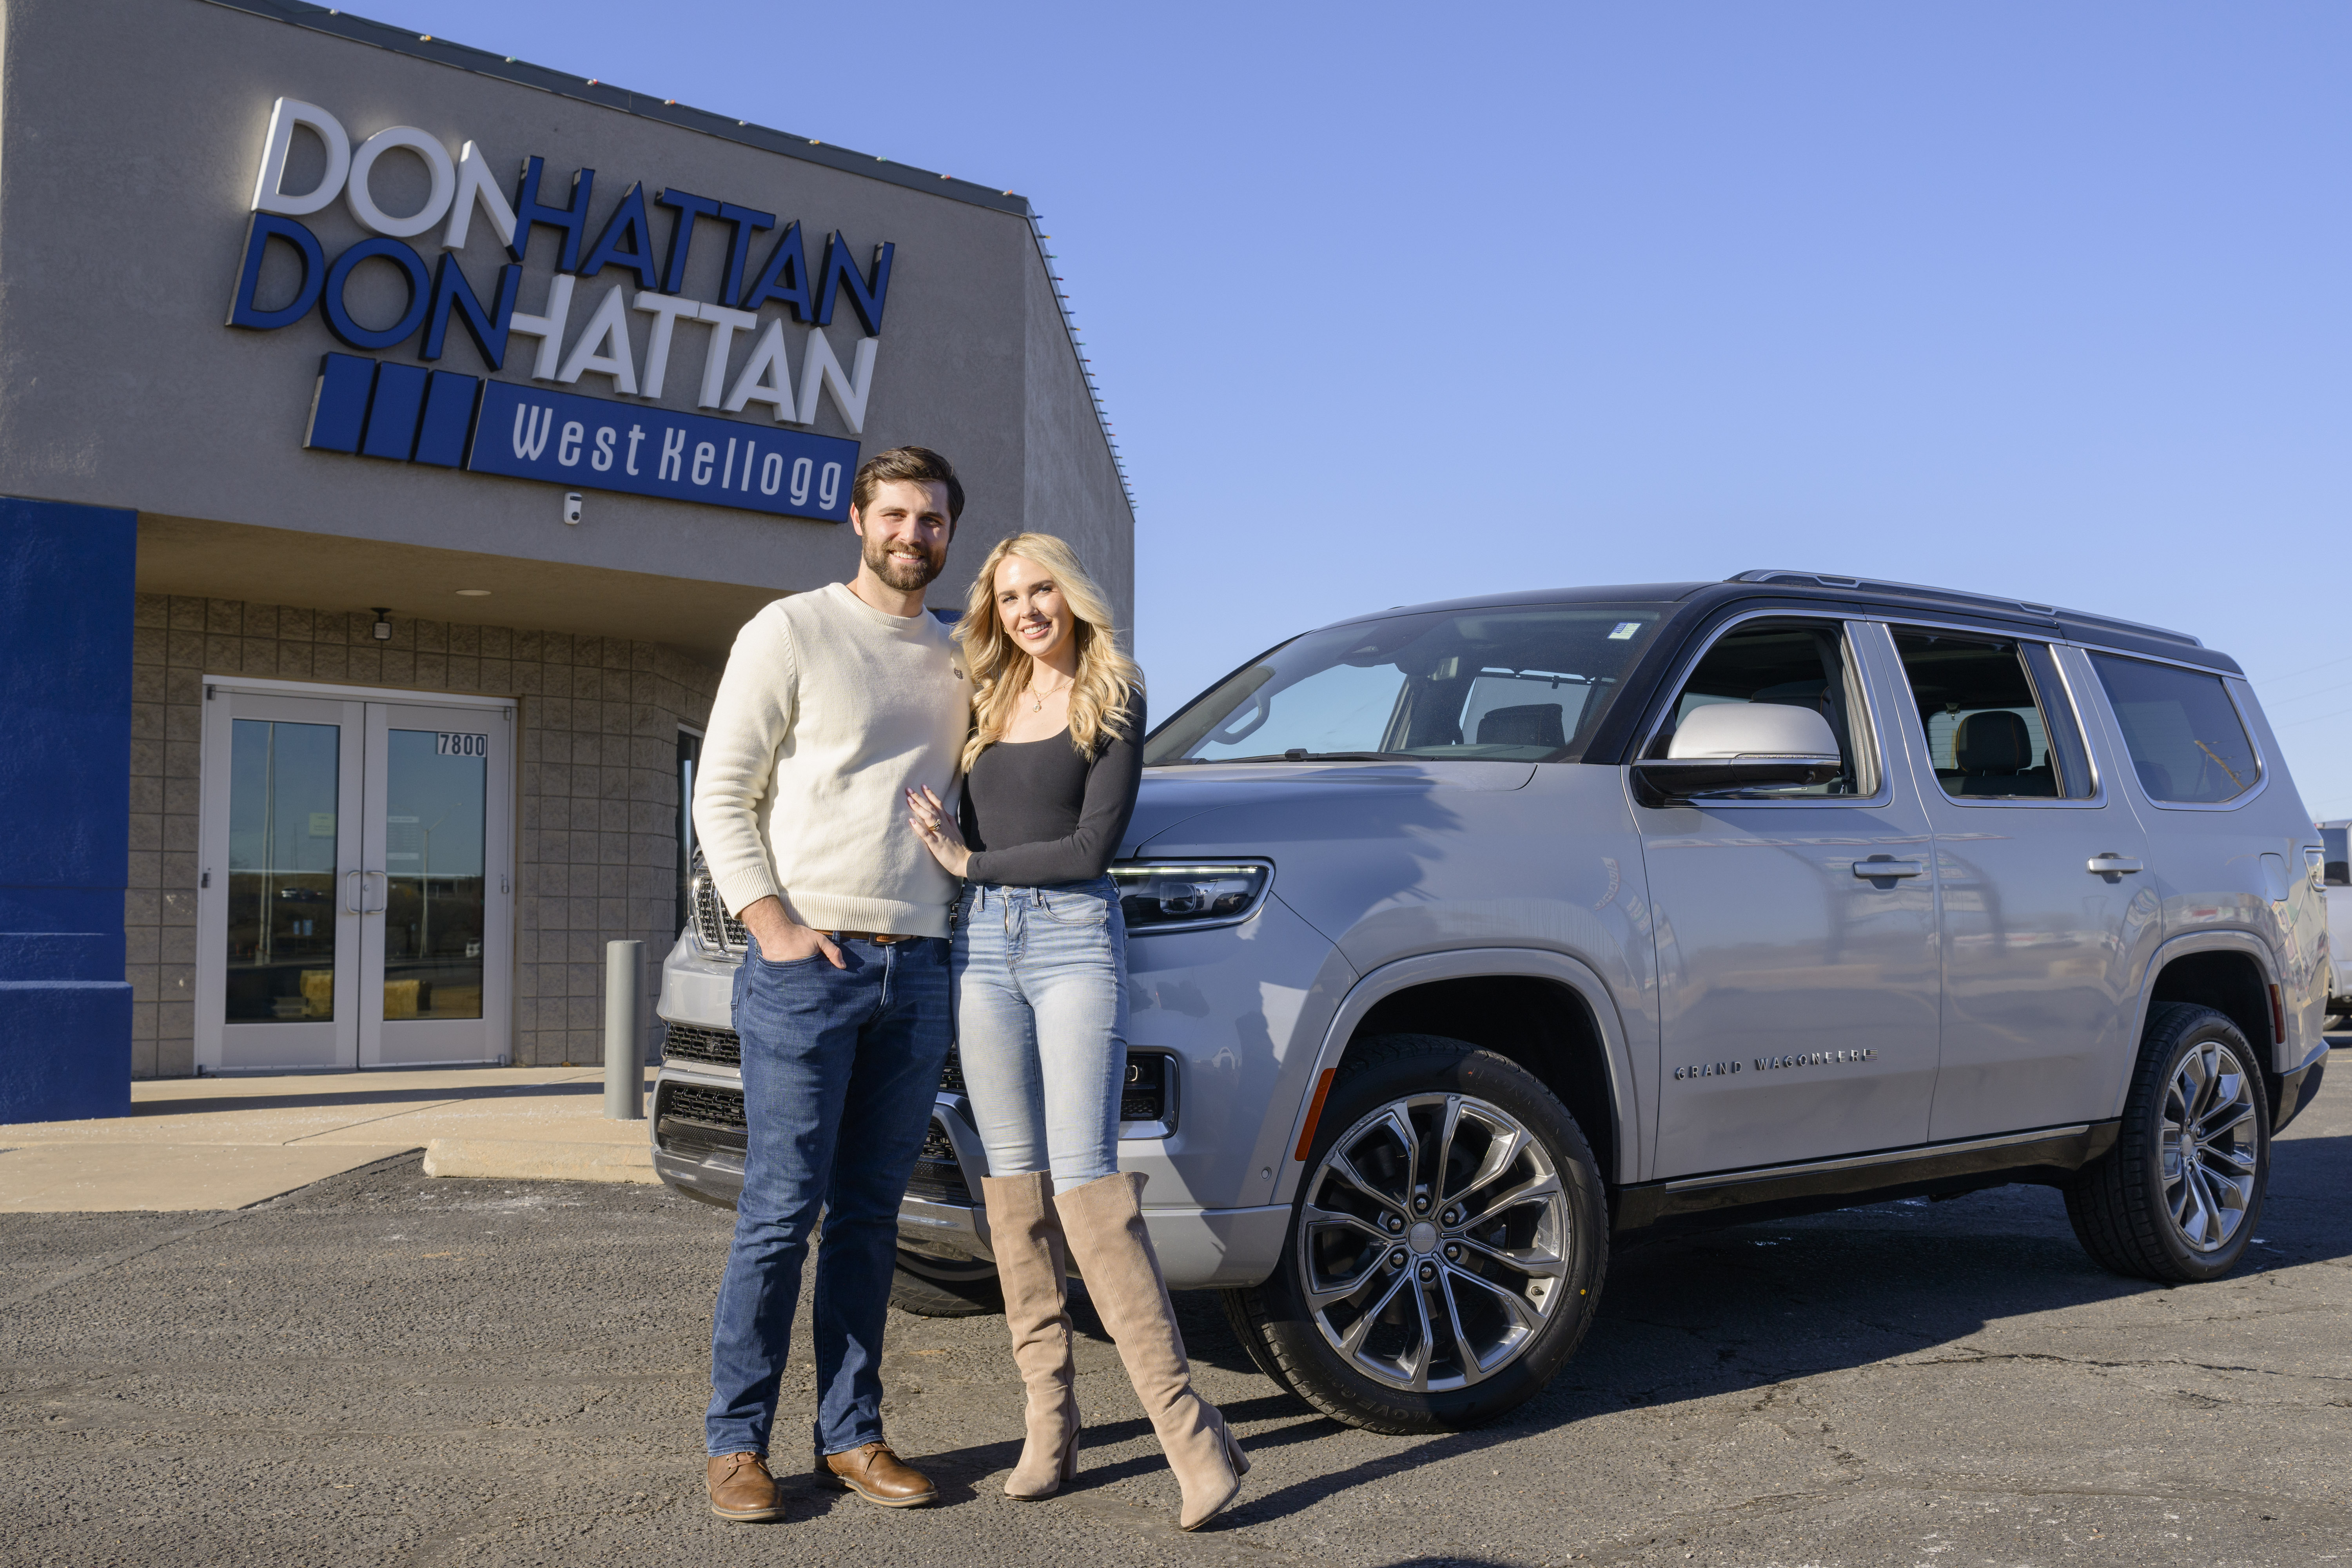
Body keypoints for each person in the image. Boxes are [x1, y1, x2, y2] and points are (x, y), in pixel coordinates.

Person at [905, 532, 1250, 1532]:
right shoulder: (978, 699)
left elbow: (1092, 845)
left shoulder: (1114, 689)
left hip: (1071, 943)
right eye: (1008, 596)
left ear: (1071, 593)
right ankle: (1049, 1420)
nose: (1026, 610)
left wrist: (968, 865)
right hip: (984, 952)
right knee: (1010, 1191)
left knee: (1086, 1188)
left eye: (1040, 588)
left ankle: (1190, 1438)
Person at [692, 446, 974, 1524]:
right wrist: (771, 924)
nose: (913, 535)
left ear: (951, 535)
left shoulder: (959, 655)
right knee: (778, 1211)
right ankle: (736, 1445)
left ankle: (851, 1436)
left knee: (868, 1219)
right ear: (858, 518)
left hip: (920, 968)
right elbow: (722, 794)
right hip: (812, 965)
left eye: (933, 520)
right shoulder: (792, 630)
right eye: (896, 515)